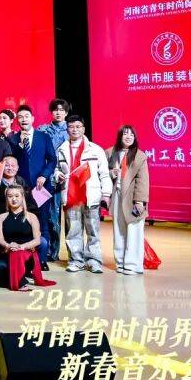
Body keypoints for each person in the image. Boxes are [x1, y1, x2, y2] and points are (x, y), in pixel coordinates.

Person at [55, 115, 112, 273]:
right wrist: (57, 175)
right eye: (71, 127)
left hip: (90, 195)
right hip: (71, 196)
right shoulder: (61, 149)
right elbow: (56, 169)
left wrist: (106, 193)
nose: (75, 130)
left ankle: (94, 260)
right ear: (67, 129)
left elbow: (104, 173)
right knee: (73, 230)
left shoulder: (95, 149)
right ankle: (76, 260)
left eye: (78, 126)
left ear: (83, 129)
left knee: (93, 230)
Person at [8, 105, 58, 266]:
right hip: (20, 188)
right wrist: (20, 147)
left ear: (32, 119)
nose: (23, 119)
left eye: (26, 116)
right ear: (17, 120)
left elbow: (52, 160)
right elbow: (11, 161)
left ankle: (42, 258)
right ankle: (25, 256)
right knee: (23, 221)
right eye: (20, 117)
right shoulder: (13, 139)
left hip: (40, 187)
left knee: (43, 221)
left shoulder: (44, 137)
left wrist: (44, 175)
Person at [0, 185, 55, 291]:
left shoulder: (31, 217)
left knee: (17, 254)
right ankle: (16, 277)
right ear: (6, 198)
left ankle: (20, 282)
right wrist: (8, 245)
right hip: (8, 251)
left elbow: (37, 240)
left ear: (22, 197)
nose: (13, 199)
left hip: (26, 253)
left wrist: (21, 247)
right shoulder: (1, 217)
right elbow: (0, 239)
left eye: (17, 196)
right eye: (10, 196)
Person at [107, 125, 149, 275]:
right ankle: (120, 262)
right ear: (120, 136)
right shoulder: (110, 152)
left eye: (131, 134)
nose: (128, 137)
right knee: (119, 230)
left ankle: (133, 265)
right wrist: (111, 173)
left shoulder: (140, 156)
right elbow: (103, 173)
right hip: (117, 196)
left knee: (134, 231)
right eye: (125, 134)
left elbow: (143, 180)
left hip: (132, 199)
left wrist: (140, 201)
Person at [38, 99, 71, 262]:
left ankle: (68, 253)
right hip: (44, 179)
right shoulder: (42, 130)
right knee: (46, 216)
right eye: (55, 110)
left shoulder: (72, 130)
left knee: (66, 217)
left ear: (66, 112)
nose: (58, 113)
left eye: (62, 110)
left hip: (65, 180)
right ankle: (48, 250)